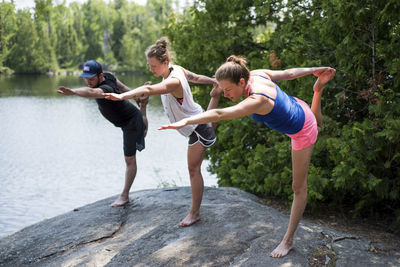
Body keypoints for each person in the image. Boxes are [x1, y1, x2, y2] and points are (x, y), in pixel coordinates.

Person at [159, 55, 336, 257]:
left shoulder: (257, 99)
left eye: (227, 90)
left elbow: (219, 115)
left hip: (301, 130)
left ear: (241, 82)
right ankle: (318, 89)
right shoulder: (256, 74)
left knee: (299, 187)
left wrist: (185, 122)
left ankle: (287, 241)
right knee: (317, 125)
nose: (225, 95)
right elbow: (289, 74)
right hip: (299, 107)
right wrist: (317, 68)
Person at [103, 37, 221, 227]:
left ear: (165, 63)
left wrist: (122, 95)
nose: (151, 69)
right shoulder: (177, 69)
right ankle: (216, 98)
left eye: (154, 66)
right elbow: (196, 78)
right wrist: (214, 82)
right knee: (204, 130)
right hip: (199, 121)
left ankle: (194, 214)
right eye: (149, 65)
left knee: (193, 169)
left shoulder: (173, 82)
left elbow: (149, 89)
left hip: (198, 130)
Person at [57, 59, 149, 207]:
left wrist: (74, 92)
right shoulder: (109, 76)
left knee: (130, 159)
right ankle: (143, 103)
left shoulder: (107, 88)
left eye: (91, 78)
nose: (88, 81)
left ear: (100, 76)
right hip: (124, 117)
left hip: (130, 121)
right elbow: (125, 88)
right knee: (141, 133)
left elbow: (92, 92)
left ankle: (124, 196)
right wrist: (136, 95)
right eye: (86, 78)